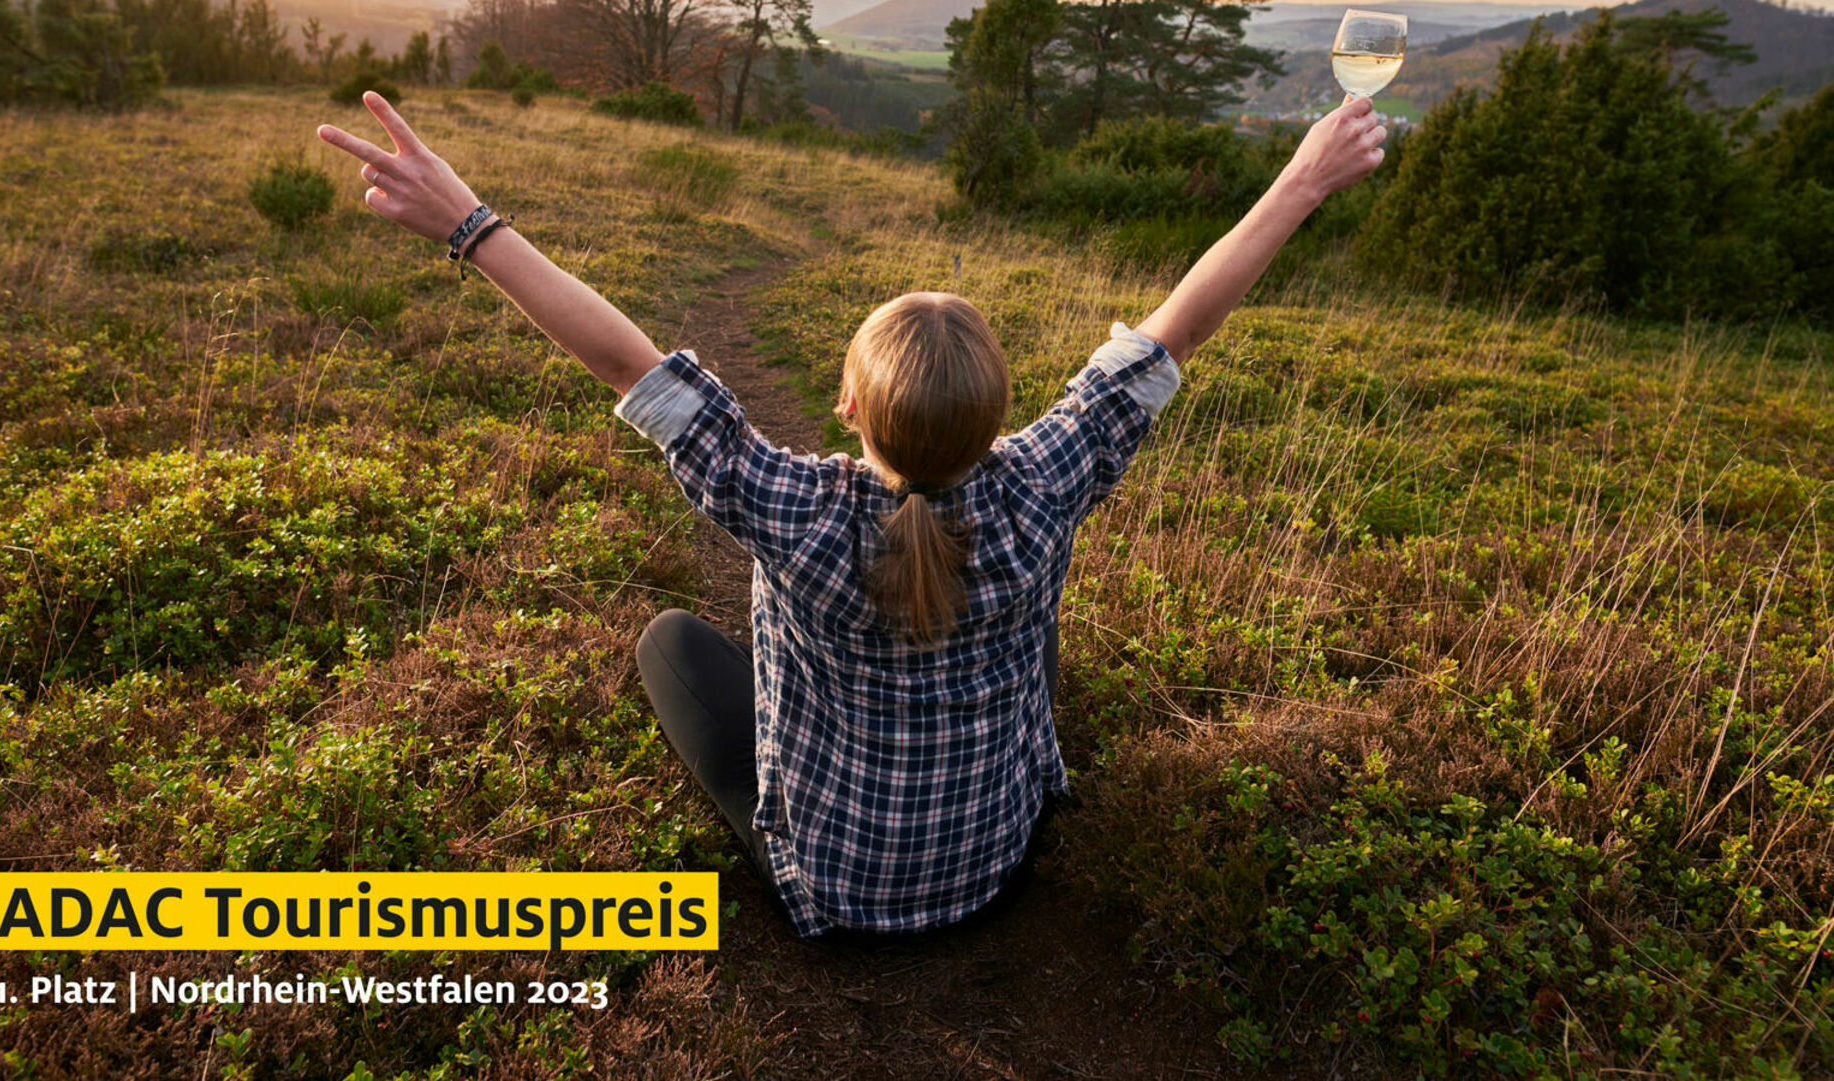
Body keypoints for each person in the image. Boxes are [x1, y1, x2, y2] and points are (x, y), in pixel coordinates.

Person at [316, 91, 1387, 939]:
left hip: (831, 890)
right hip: (996, 869)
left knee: (671, 644)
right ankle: (1021, 788)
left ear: (845, 409)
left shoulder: (795, 509)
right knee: (1034, 598)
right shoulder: (1047, 479)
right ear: (1002, 413)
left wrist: (467, 221)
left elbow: (622, 359)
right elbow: (1177, 328)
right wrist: (1302, 178)